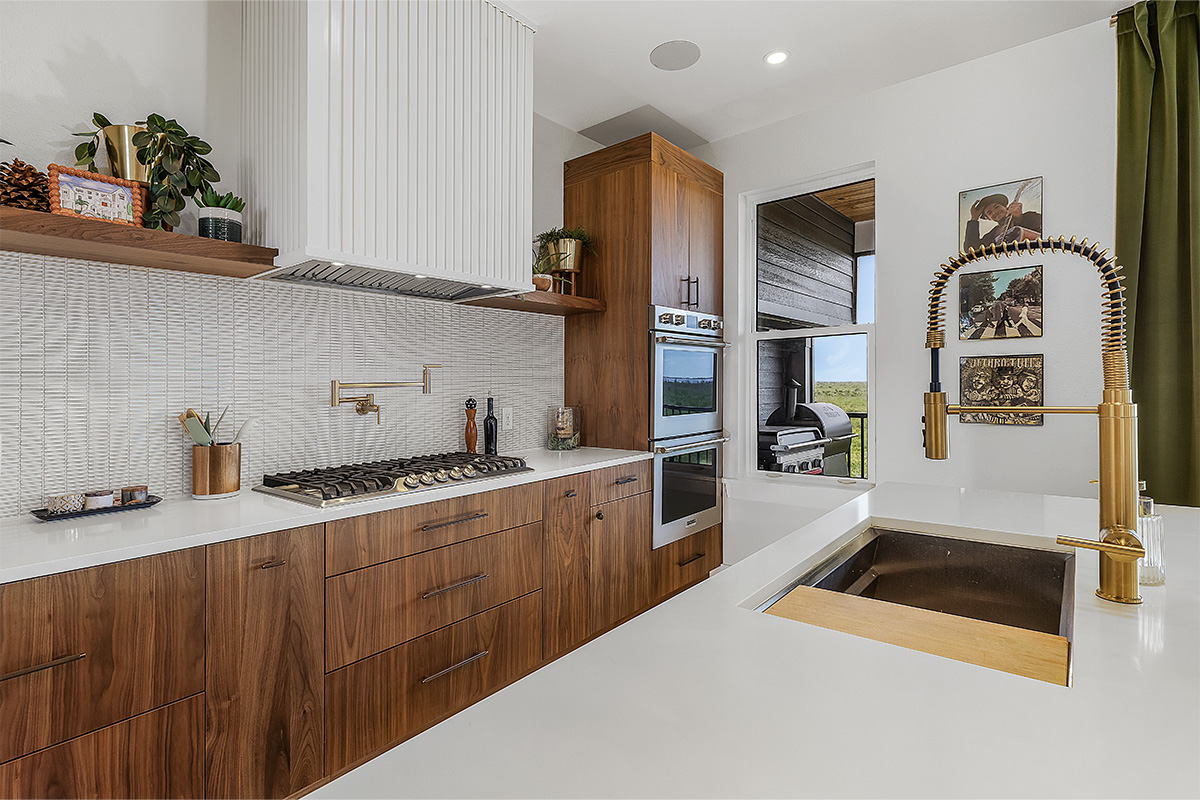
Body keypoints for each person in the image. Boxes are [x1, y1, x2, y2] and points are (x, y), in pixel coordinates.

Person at [964, 193, 1043, 250]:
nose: (994, 212)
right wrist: (974, 219)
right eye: (989, 213)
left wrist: (1019, 219)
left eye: (997, 207)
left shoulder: (1030, 216)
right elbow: (971, 249)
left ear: (1006, 207)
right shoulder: (991, 235)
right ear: (989, 219)